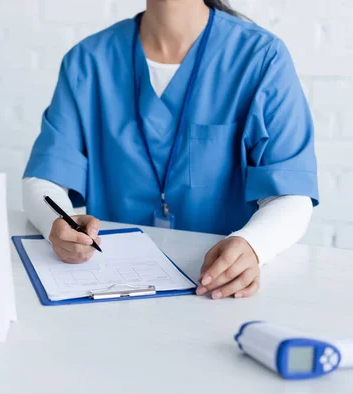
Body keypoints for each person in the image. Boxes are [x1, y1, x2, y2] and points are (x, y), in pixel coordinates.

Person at [22, 0, 318, 300]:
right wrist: (57, 225)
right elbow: (45, 178)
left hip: (217, 290)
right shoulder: (88, 62)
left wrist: (253, 244)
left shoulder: (262, 58)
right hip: (115, 290)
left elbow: (291, 192)